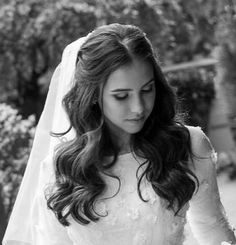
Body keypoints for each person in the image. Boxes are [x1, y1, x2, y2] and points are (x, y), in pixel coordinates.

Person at [2, 23, 236, 245]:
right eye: (121, 96)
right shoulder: (59, 167)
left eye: (147, 89)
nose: (138, 108)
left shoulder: (188, 145)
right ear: (94, 95)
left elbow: (213, 230)